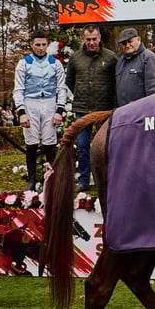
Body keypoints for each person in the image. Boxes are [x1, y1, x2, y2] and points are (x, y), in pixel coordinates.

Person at [13, 30, 69, 191]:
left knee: (49, 143)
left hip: (50, 102)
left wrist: (59, 110)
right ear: (32, 44)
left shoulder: (54, 63)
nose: (40, 48)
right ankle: (31, 181)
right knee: (31, 143)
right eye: (37, 44)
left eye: (43, 44)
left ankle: (51, 178)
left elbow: (62, 88)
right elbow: (18, 89)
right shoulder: (24, 63)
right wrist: (22, 112)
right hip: (30, 102)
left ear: (47, 44)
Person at [66, 24, 117, 192]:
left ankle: (107, 178)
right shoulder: (75, 58)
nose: (91, 43)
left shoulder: (110, 57)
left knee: (106, 146)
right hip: (82, 108)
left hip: (104, 109)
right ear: (83, 39)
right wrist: (81, 94)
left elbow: (116, 81)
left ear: (99, 38)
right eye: (88, 40)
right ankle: (84, 179)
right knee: (82, 145)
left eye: (94, 39)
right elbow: (70, 81)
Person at [114, 28, 155, 107]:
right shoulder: (120, 61)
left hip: (142, 112)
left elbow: (154, 90)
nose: (127, 45)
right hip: (123, 112)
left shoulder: (148, 58)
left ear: (138, 39)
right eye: (123, 43)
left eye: (130, 41)